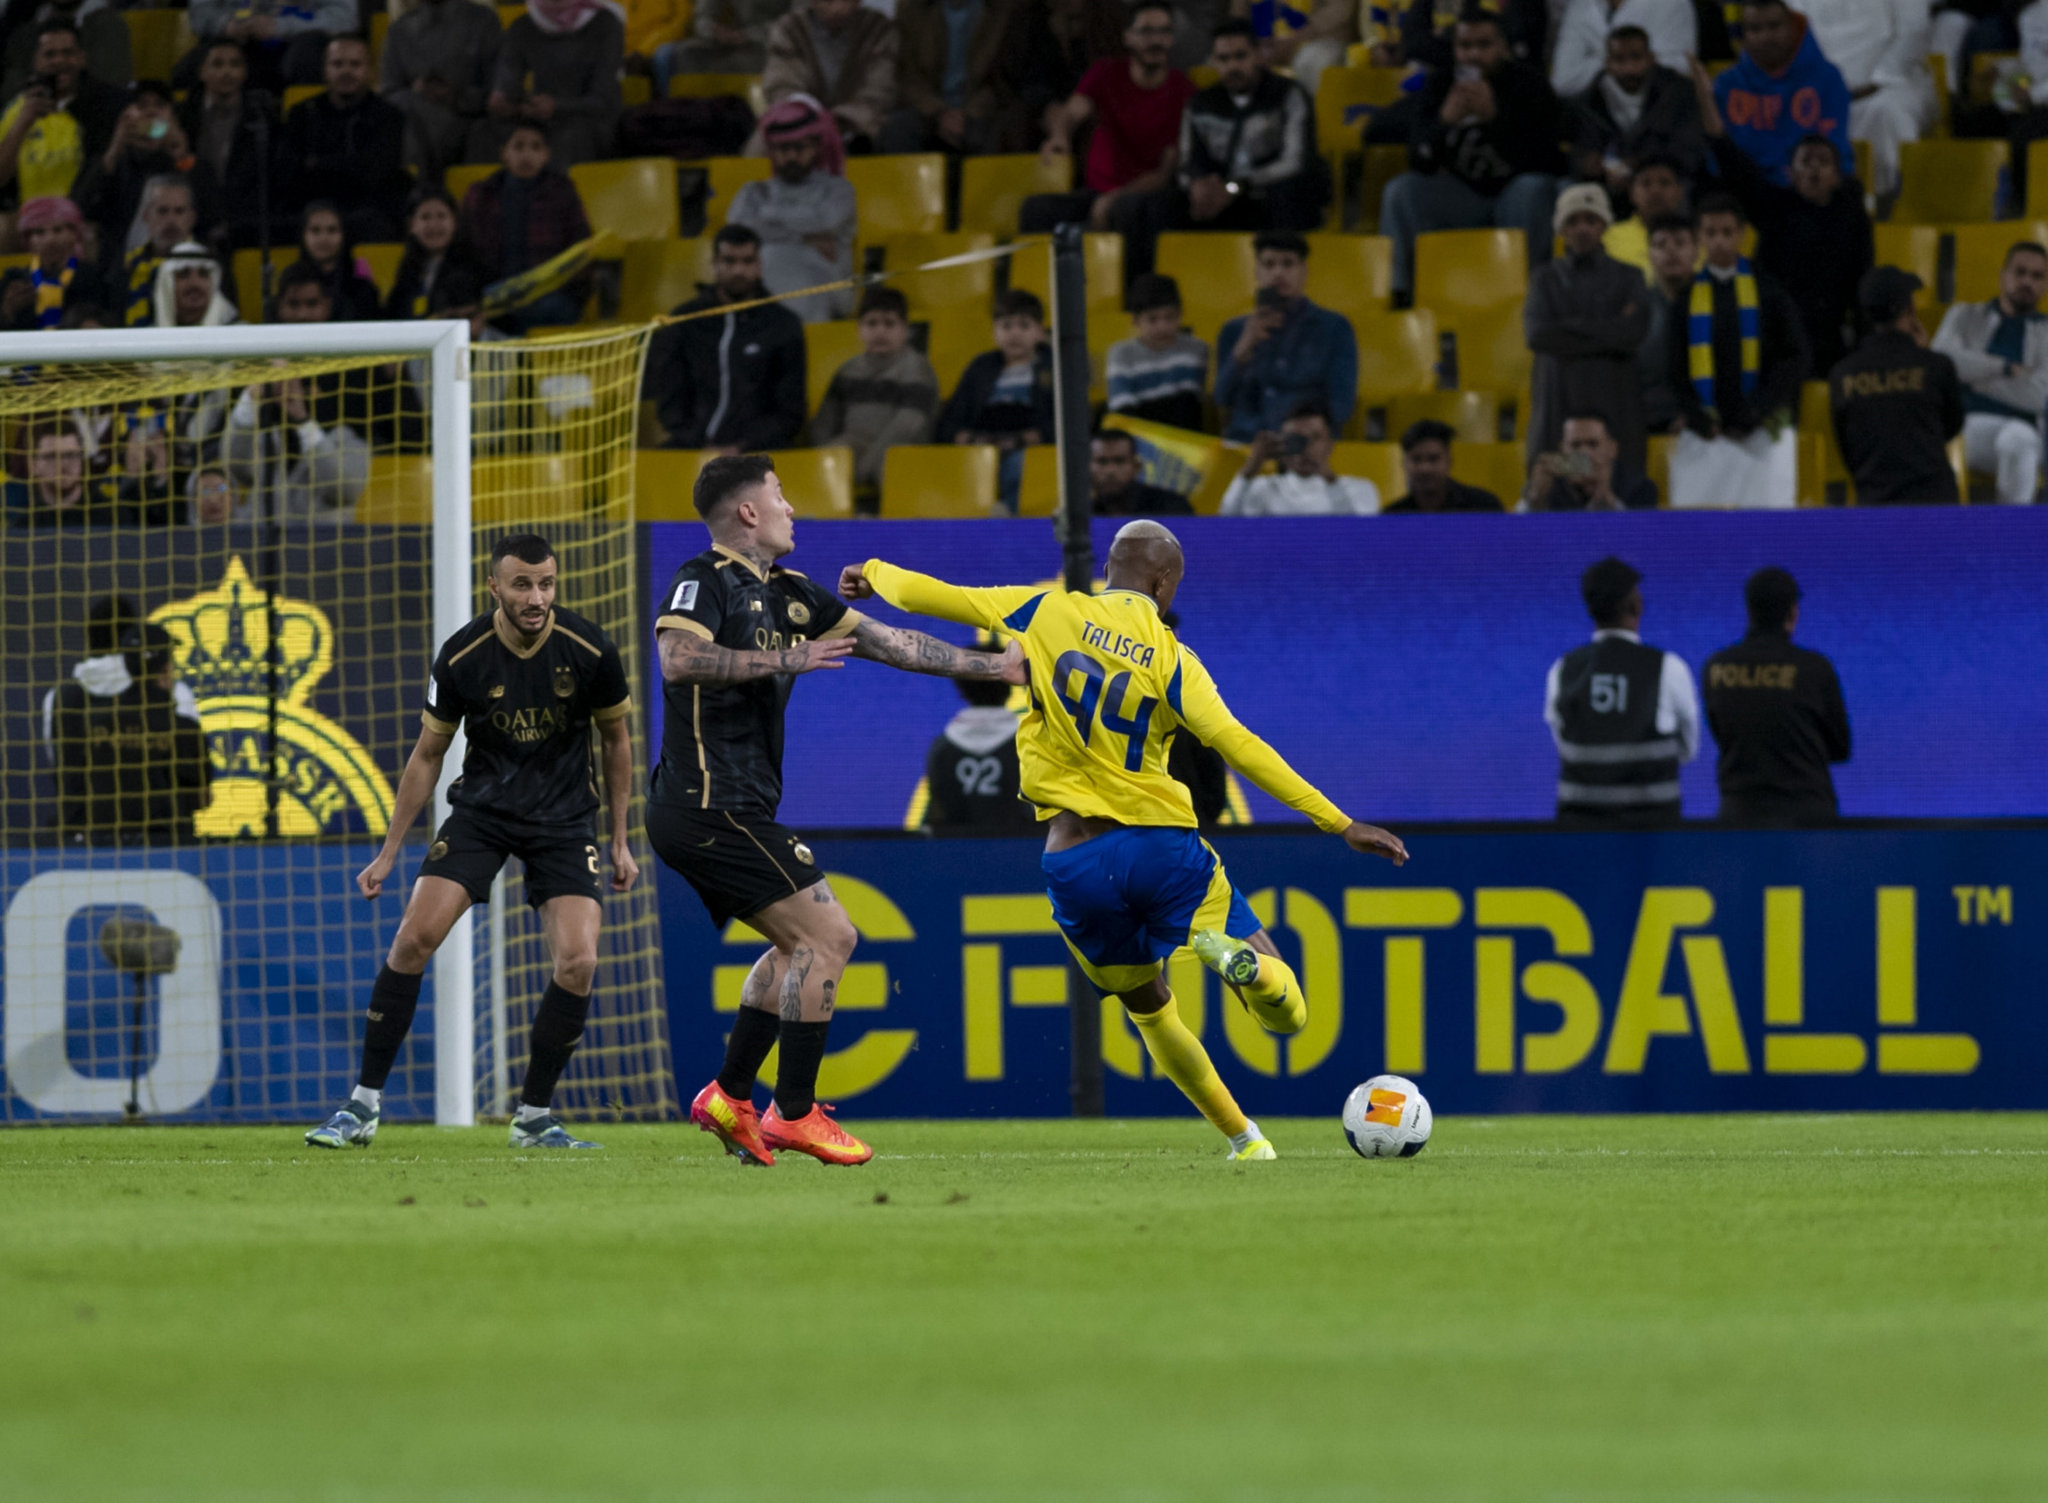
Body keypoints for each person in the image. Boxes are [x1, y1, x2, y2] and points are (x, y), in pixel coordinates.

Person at [841, 522, 1408, 1159]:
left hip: (1072, 861)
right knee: (1288, 1014)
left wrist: (873, 571)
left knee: (1150, 1010)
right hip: (1157, 847)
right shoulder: (1173, 659)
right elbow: (1241, 746)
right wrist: (1339, 822)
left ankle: (1245, 1140)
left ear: (1110, 568)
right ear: (1163, 583)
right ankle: (1243, 968)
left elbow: (934, 595)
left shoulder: (1048, 610)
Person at [654, 455, 1022, 1167]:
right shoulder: (703, 578)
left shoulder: (792, 593)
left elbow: (895, 645)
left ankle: (731, 1094)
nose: (793, 508)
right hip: (706, 802)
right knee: (832, 936)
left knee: (795, 946)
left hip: (730, 805)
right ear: (749, 513)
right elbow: (676, 659)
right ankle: (793, 1111)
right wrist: (782, 662)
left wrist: (996, 669)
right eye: (781, 495)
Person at [306, 533, 639, 1151]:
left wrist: (620, 839)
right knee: (413, 938)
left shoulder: (590, 649)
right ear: (495, 586)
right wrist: (388, 851)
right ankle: (360, 1108)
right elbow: (428, 754)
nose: (536, 597)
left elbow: (618, 742)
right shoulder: (462, 656)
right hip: (484, 813)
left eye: (546, 583)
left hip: (564, 821)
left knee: (580, 960)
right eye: (521, 584)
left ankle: (534, 1117)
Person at [1693, 58, 1873, 377]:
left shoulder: (1853, 218)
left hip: (1832, 335)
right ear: (1791, 173)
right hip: (1779, 336)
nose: (1815, 168)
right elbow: (1725, 150)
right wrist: (1707, 97)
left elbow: (1863, 280)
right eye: (1806, 162)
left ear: (1837, 174)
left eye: (1823, 162)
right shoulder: (1774, 206)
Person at [1382, 7, 1564, 304]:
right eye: (1465, 46)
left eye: (1484, 45)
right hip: (1462, 196)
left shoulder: (1530, 83)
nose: (1474, 55)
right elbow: (1419, 159)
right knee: (1401, 191)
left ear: (1503, 47)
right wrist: (1443, 123)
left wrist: (1496, 118)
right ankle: (1399, 296)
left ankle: (1534, 297)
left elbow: (1548, 161)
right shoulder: (1440, 84)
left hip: (1513, 195)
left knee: (1535, 189)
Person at [1116, 17, 1322, 276]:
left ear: (1257, 55)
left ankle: (1279, 285)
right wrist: (1197, 186)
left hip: (1267, 192)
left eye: (1240, 56)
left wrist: (1234, 187)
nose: (1232, 66)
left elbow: (1295, 161)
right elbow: (1187, 164)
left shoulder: (1289, 94)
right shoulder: (1201, 104)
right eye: (1223, 59)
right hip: (1218, 199)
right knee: (1146, 208)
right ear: (1213, 61)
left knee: (1289, 196)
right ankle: (1149, 296)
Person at [1665, 192, 1807, 509]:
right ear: (1699, 237)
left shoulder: (1769, 291)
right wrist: (1699, 418)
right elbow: (1676, 368)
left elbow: (1795, 356)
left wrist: (1759, 408)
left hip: (1760, 431)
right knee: (1702, 526)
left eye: (1727, 232)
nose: (1719, 242)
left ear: (1742, 235)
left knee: (1765, 522)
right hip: (1707, 434)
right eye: (1711, 233)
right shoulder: (1687, 299)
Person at [1544, 555, 1699, 826]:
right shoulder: (1669, 668)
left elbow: (1564, 744)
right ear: (1634, 604)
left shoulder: (1562, 669)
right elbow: (1688, 750)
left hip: (1578, 835)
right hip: (1653, 839)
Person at [1020, 1, 1193, 237]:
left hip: (1146, 197)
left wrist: (1115, 198)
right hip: (1098, 192)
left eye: (1164, 32)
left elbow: (1164, 173)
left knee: (1129, 210)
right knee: (1037, 209)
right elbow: (1071, 112)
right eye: (1146, 32)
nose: (1156, 40)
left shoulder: (1184, 91)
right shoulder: (1105, 73)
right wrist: (1060, 136)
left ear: (1171, 39)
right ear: (1127, 38)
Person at [222, 261, 376, 522]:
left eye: (311, 304)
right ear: (279, 307)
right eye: (293, 305)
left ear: (327, 306)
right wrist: (249, 399)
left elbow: (346, 489)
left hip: (326, 552)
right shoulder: (257, 365)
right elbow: (235, 469)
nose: (302, 315)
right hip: (261, 550)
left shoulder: (353, 375)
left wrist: (302, 419)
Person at [1702, 566, 1852, 826]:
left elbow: (1722, 733)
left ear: (1749, 612)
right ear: (1793, 612)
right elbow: (1840, 748)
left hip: (1739, 815)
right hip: (1808, 820)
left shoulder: (1716, 668)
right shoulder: (1814, 668)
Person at [1525, 181, 1651, 482]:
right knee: (1559, 495)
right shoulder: (1544, 278)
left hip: (1618, 408)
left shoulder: (1629, 276)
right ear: (1561, 229)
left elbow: (1632, 333)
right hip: (1558, 405)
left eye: (1590, 220)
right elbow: (1538, 335)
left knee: (1620, 493)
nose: (1582, 228)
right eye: (1573, 220)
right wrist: (1607, 330)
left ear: (1604, 225)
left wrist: (1567, 327)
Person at [645, 223, 808, 453]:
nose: (738, 270)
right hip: (691, 448)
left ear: (759, 266)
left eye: (747, 261)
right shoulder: (684, 320)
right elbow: (669, 397)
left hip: (758, 451)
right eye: (729, 261)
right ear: (714, 265)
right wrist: (699, 443)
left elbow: (790, 411)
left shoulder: (783, 324)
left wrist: (741, 446)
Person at [50, 621, 210, 845]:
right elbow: (202, 798)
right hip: (169, 853)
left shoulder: (94, 722)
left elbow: (74, 786)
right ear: (166, 669)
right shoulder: (184, 729)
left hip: (103, 851)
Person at [1830, 266, 1964, 505]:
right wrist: (1923, 355)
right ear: (1909, 309)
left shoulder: (1843, 374)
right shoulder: (1936, 366)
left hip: (1875, 503)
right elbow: (1952, 426)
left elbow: (1846, 445)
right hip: (1935, 504)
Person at [1931, 239, 2048, 504]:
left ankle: (2011, 538)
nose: (2027, 282)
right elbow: (1943, 362)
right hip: (1961, 423)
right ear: (2003, 275)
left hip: (2025, 429)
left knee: (2019, 441)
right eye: (2020, 272)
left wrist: (1974, 380)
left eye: (2037, 276)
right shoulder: (1963, 315)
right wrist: (2003, 369)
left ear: (2045, 285)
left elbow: (2040, 395)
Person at [1214, 230, 1357, 442]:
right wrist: (1243, 349)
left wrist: (1299, 433)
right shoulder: (1234, 331)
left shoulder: (1335, 328)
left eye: (1288, 264)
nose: (1278, 273)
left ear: (1304, 270)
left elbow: (1341, 405)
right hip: (1247, 443)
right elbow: (1222, 399)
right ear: (1257, 272)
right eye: (1269, 265)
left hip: (1305, 446)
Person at [727, 94, 858, 324]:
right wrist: (808, 238)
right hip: (764, 284)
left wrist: (767, 220)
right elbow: (737, 236)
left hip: (828, 288)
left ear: (816, 145)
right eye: (783, 148)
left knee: (773, 255)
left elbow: (824, 221)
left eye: (800, 147)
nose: (791, 156)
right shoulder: (753, 192)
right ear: (771, 150)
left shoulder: (839, 190)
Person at [460, 122, 593, 331]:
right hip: (494, 295)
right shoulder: (481, 194)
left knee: (552, 308)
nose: (526, 155)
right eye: (518, 146)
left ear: (547, 154)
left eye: (535, 147)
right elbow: (464, 248)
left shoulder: (562, 191)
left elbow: (580, 247)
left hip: (549, 295)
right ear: (504, 152)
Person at [1797, 0, 1936, 198]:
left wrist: (1878, 79)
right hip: (1820, 88)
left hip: (1893, 84)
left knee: (1889, 113)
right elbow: (1793, 31)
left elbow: (1914, 29)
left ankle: (1891, 208)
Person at [810, 285, 939, 496]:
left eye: (889, 323)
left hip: (899, 450)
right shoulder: (848, 370)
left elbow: (909, 425)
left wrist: (868, 463)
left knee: (891, 465)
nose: (880, 331)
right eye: (872, 323)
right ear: (859, 328)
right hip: (853, 445)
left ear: (905, 328)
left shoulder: (917, 369)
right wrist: (824, 461)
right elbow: (825, 422)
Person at [281, 34, 412, 242]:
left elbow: (376, 174)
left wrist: (316, 164)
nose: (346, 71)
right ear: (325, 69)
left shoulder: (389, 116)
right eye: (338, 64)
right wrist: (348, 165)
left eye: (355, 64)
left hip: (367, 212)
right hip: (311, 210)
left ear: (369, 71)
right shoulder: (302, 114)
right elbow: (289, 173)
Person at [937, 287, 1055, 511]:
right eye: (1006, 325)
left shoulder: (1053, 367)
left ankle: (1011, 520)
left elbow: (1066, 420)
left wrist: (1033, 437)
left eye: (1024, 325)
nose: (1014, 333)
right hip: (982, 445)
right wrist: (963, 436)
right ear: (994, 331)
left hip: (1028, 449)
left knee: (1019, 468)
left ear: (1040, 331)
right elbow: (952, 418)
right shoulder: (981, 366)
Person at [1712, 0, 1852, 188]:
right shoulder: (1726, 85)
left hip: (1810, 190)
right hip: (1744, 193)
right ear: (1743, 35)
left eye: (1774, 26)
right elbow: (1718, 156)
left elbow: (1833, 148)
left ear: (1792, 27)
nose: (1766, 37)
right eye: (1755, 29)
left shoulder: (1827, 79)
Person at [476, 0, 625, 168]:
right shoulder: (523, 26)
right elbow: (508, 81)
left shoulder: (605, 23)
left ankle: (557, 193)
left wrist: (557, 106)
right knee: (482, 133)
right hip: (541, 115)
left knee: (568, 138)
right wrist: (505, 102)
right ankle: (486, 193)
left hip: (589, 117)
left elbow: (603, 97)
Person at [0, 22, 128, 215]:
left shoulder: (112, 101)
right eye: (49, 54)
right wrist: (23, 122)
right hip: (30, 221)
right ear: (36, 61)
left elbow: (154, 129)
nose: (59, 61)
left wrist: (159, 130)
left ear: (82, 58)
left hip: (90, 214)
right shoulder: (17, 109)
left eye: (68, 53)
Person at [879, 0, 1034, 154]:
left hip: (981, 108)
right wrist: (938, 112)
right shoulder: (912, 10)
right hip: (928, 109)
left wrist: (970, 113)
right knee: (898, 128)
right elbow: (907, 76)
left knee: (993, 131)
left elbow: (1002, 77)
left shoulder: (1005, 10)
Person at [72, 80, 198, 268]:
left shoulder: (188, 162)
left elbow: (204, 212)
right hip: (123, 270)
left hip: (181, 267)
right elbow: (80, 210)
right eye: (141, 106)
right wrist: (115, 150)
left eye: (160, 105)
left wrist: (179, 151)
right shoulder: (110, 162)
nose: (150, 112)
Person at [1567, 26, 1708, 192]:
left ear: (1651, 58)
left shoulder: (1679, 92)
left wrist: (1637, 166)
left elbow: (1689, 151)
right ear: (1607, 63)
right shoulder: (1590, 101)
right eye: (1619, 59)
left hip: (1667, 182)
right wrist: (1587, 165)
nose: (1629, 68)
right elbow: (1580, 152)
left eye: (1636, 57)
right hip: (1607, 186)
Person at [380, 0, 503, 185]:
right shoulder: (399, 29)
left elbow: (498, 92)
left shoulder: (483, 21)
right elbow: (389, 93)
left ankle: (426, 197)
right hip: (416, 120)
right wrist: (418, 94)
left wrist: (454, 97)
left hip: (468, 122)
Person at [759, 0, 899, 153]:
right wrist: (807, 119)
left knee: (888, 135)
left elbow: (879, 89)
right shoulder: (790, 28)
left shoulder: (878, 29)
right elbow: (781, 85)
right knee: (764, 144)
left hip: (861, 124)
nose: (834, 6)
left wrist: (836, 122)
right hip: (799, 123)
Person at [177, 39, 273, 250]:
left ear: (245, 72)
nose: (227, 72)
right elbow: (155, 132)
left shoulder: (262, 117)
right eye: (218, 64)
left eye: (234, 64)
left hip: (244, 222)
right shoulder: (182, 115)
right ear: (202, 72)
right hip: (192, 217)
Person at [923, 677, 1039, 834]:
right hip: (1018, 850)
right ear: (1009, 689)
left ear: (963, 692)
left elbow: (936, 813)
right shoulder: (1029, 744)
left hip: (953, 851)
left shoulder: (943, 748)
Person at [1220, 401, 1378, 515]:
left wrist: (1328, 478)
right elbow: (1227, 524)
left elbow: (1361, 537)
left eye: (1315, 438)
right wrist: (1251, 466)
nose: (1306, 448)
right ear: (1283, 442)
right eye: (1296, 439)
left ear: (1330, 444)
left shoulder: (1359, 489)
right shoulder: (1264, 488)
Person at [1105, 272, 1207, 431]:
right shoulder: (1122, 355)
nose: (1163, 326)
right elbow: (1123, 414)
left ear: (1181, 315)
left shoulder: (1196, 350)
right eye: (1153, 319)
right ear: (1135, 320)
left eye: (1170, 317)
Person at [187, 0, 357, 90]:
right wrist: (225, 24)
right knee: (189, 71)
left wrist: (281, 26)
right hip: (235, 40)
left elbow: (343, 18)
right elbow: (199, 12)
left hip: (298, 44)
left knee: (304, 59)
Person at [1550, 0, 1696, 97]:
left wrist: (1598, 61)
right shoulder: (1580, 6)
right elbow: (1562, 81)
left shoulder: (1673, 3)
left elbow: (1681, 68)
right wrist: (1613, 61)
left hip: (1663, 116)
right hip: (1599, 116)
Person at [385, 187, 490, 319]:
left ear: (455, 222)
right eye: (425, 217)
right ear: (411, 225)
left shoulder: (476, 268)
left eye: (441, 216)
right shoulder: (407, 272)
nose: (433, 225)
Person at [1637, 209, 1697, 435]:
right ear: (1649, 255)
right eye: (1660, 245)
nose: (1671, 251)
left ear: (1695, 251)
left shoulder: (1718, 304)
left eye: (1680, 243)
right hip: (1646, 423)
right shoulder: (1634, 310)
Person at [1524, 410, 1659, 509]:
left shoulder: (1639, 488)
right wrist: (1536, 501)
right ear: (1562, 449)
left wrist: (1605, 499)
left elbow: (1641, 538)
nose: (1584, 453)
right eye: (1575, 445)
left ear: (1612, 449)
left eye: (1593, 444)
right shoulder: (1549, 486)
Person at [1, 0, 132, 99]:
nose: (58, 61)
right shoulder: (25, 27)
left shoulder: (107, 25)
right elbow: (10, 88)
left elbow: (112, 84)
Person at [3, 421, 122, 524]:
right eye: (51, 456)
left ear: (82, 461)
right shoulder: (23, 528)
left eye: (70, 455)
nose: (63, 465)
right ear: (33, 465)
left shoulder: (115, 519)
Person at [118, 174, 199, 323]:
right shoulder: (125, 267)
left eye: (179, 211)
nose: (171, 220)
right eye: (162, 211)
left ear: (192, 218)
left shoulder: (207, 265)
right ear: (146, 216)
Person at [1381, 417, 1505, 511]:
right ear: (1404, 464)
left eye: (1433, 459)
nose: (1425, 469)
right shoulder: (1393, 517)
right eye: (1416, 459)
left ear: (1449, 461)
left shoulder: (1484, 507)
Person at [17, 193, 105, 325]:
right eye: (40, 232)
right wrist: (8, 313)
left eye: (58, 230)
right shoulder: (15, 279)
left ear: (74, 234)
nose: (50, 240)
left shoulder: (95, 277)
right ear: (28, 240)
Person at [1597, 152, 1689, 276]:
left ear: (1679, 192)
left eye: (1664, 183)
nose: (1655, 191)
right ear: (1632, 193)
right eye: (1646, 183)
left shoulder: (1698, 240)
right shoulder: (1608, 238)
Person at [295, 200, 381, 322]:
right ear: (303, 235)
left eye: (332, 230)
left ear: (344, 235)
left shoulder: (363, 291)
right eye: (315, 230)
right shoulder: (292, 288)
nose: (323, 238)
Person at [666, 0, 787, 76]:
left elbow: (798, 20)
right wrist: (713, 30)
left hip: (776, 40)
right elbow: (702, 19)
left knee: (746, 61)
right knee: (687, 53)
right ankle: (693, 111)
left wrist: (750, 35)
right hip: (737, 39)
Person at [1091, 427, 1192, 514]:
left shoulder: (1172, 506)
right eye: (1102, 462)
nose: (1110, 471)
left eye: (1119, 461)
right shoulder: (1080, 512)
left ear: (1136, 466)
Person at [150, 239, 238, 329]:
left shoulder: (240, 333)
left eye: (203, 274)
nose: (195, 283)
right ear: (167, 285)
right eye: (183, 274)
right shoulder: (147, 338)